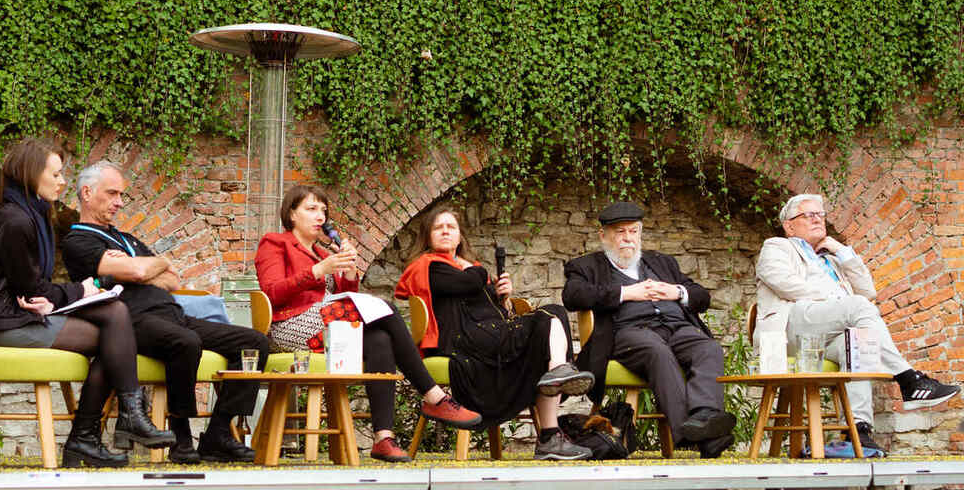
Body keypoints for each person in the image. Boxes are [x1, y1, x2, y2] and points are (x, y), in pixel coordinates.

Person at [0, 140, 174, 468]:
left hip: (24, 314)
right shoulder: (16, 221)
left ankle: (101, 430)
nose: (63, 181)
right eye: (55, 174)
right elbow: (31, 289)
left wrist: (75, 294)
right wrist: (80, 290)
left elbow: (35, 289)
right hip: (7, 323)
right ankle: (94, 432)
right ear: (31, 174)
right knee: (115, 334)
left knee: (115, 321)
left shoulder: (32, 215)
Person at [62, 160, 270, 464]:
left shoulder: (126, 239)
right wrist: (146, 266)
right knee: (184, 341)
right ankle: (181, 437)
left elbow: (172, 280)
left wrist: (144, 267)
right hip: (130, 322)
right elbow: (139, 271)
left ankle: (218, 434)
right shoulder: (78, 240)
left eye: (121, 195)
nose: (119, 202)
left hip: (172, 314)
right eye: (112, 193)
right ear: (87, 193)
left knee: (254, 343)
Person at [255, 185, 483, 462]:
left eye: (323, 211)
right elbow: (272, 292)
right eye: (311, 209)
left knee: (380, 340)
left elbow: (342, 295)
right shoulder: (275, 243)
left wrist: (350, 273)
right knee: (384, 308)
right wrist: (317, 271)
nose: (320, 217)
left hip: (328, 326)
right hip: (291, 325)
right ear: (292, 214)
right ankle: (433, 395)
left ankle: (383, 438)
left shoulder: (323, 253)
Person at [756, 193, 960, 452]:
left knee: (859, 343)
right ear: (789, 226)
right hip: (791, 328)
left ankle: (857, 430)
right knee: (857, 307)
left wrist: (841, 251)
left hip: (827, 333)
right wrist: (839, 301)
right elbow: (784, 284)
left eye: (821, 215)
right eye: (809, 215)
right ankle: (909, 379)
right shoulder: (777, 246)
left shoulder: (832, 259)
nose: (818, 219)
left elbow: (867, 291)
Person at [396, 206, 595, 461]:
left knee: (546, 331)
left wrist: (504, 298)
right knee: (550, 316)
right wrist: (476, 270)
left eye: (451, 227)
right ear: (427, 236)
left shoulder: (467, 268)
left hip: (487, 335)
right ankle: (558, 375)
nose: (445, 231)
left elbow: (492, 311)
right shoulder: (429, 266)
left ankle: (551, 427)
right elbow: (470, 282)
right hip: (463, 340)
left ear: (460, 236)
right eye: (438, 228)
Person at [562, 200, 735, 458]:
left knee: (708, 348)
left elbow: (702, 296)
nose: (628, 238)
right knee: (657, 352)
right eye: (620, 232)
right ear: (604, 235)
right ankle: (693, 436)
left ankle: (704, 416)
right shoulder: (587, 266)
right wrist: (626, 293)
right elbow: (573, 296)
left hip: (677, 328)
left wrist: (677, 292)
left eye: (633, 231)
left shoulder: (662, 262)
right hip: (629, 333)